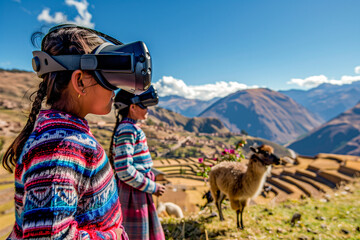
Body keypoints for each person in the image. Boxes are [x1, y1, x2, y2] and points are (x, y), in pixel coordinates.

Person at [2, 25, 131, 239]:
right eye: (107, 76)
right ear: (80, 81)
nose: (115, 88)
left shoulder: (62, 137)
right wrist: (114, 236)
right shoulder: (61, 147)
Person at [109, 86, 166, 240]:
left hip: (137, 190)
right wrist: (152, 187)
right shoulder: (128, 130)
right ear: (132, 107)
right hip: (133, 195)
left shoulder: (130, 128)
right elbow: (125, 170)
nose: (147, 109)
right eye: (144, 105)